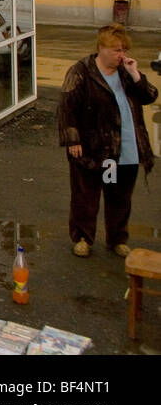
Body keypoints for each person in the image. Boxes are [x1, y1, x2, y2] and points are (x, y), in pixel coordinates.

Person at [57, 24, 157, 258]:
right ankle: (83, 238)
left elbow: (149, 96)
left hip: (127, 148)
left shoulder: (126, 72)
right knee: (86, 196)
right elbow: (66, 108)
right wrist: (73, 139)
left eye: (123, 50)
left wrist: (135, 74)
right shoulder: (81, 71)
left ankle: (117, 239)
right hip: (95, 149)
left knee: (120, 197)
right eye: (116, 50)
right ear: (101, 48)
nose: (121, 55)